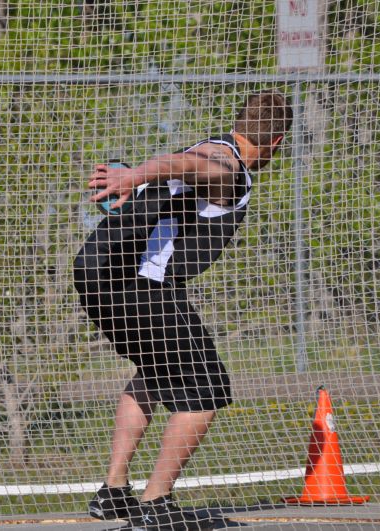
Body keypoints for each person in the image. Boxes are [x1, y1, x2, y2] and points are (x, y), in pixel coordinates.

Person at [73, 92, 293, 530]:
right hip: (139, 282)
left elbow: (182, 161)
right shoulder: (230, 169)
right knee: (207, 390)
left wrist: (137, 175)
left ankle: (113, 494)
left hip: (93, 271)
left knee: (156, 373)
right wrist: (136, 174)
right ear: (276, 143)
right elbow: (194, 166)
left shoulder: (210, 145)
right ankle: (156, 504)